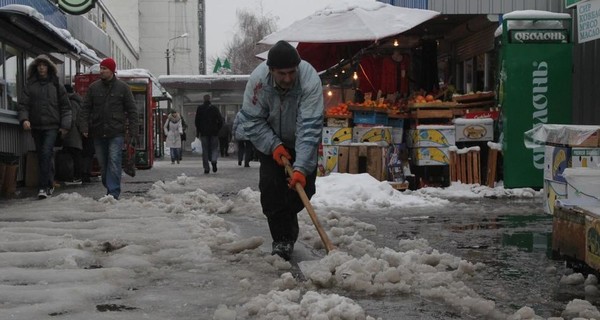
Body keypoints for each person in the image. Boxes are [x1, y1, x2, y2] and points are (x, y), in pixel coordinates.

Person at [238, 40, 324, 260]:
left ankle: (288, 222)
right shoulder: (258, 82)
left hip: (300, 141)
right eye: (282, 74)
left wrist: (301, 168)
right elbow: (252, 120)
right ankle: (281, 240)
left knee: (301, 193)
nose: (288, 78)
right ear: (271, 70)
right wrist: (273, 145)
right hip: (270, 140)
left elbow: (309, 126)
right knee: (271, 191)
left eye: (291, 72)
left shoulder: (309, 80)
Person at [79, 57, 138, 200]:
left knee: (114, 161)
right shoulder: (94, 88)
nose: (102, 71)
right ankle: (109, 185)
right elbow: (85, 109)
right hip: (98, 131)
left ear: (112, 70)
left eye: (104, 68)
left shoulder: (123, 88)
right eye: (101, 68)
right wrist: (84, 126)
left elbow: (132, 110)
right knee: (103, 164)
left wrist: (133, 131)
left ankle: (113, 192)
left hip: (116, 132)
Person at [17, 54, 72, 199]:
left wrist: (65, 125)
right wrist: (24, 119)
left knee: (46, 153)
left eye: (44, 65)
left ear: (49, 67)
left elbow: (66, 107)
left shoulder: (56, 85)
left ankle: (43, 187)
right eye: (39, 65)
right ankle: (49, 183)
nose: (41, 67)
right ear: (36, 67)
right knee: (43, 155)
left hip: (52, 126)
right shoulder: (30, 85)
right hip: (36, 126)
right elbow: (23, 105)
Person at [194, 94, 223, 174]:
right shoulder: (214, 108)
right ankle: (214, 160)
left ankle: (206, 168)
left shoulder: (200, 108)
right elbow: (220, 120)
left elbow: (197, 122)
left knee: (205, 150)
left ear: (203, 99)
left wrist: (198, 131)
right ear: (210, 99)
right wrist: (217, 129)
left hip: (204, 133)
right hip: (214, 132)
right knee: (214, 148)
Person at [61, 84, 84, 184]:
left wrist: (65, 129)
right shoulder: (77, 101)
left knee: (74, 154)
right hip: (76, 132)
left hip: (71, 133)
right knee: (76, 154)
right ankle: (76, 176)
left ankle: (76, 176)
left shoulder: (71, 102)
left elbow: (72, 118)